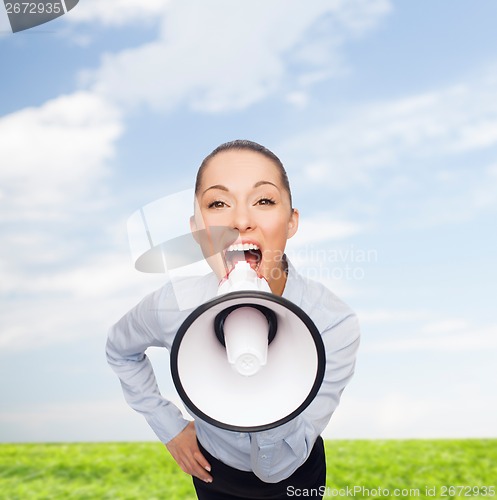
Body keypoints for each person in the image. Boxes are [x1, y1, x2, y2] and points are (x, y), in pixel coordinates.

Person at [106, 140, 360, 499]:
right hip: (213, 472)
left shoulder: (334, 322)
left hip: (295, 474)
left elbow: (276, 469)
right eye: (218, 204)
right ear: (197, 230)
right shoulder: (173, 306)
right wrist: (170, 428)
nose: (240, 221)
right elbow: (120, 350)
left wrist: (266, 390)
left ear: (291, 222)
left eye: (264, 201)